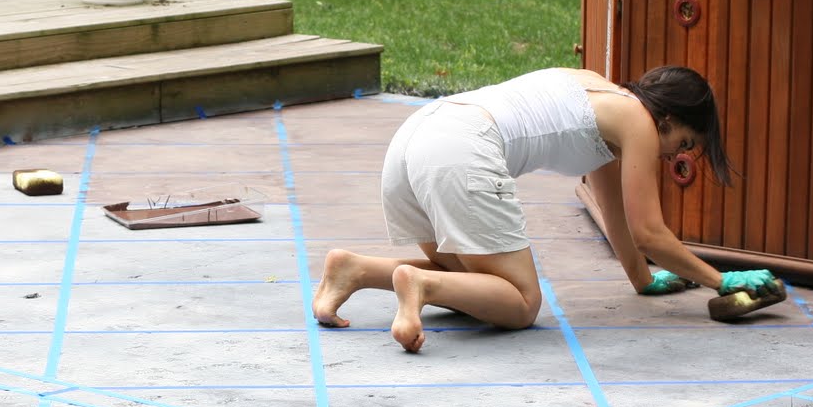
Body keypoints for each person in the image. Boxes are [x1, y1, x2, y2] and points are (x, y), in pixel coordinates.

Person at [311, 65, 779, 353]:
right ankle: (421, 284)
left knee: (478, 288)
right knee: (519, 304)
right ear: (668, 119)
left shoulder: (599, 94)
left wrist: (642, 279)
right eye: (683, 143)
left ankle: (355, 270)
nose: (671, 155)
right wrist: (721, 280)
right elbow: (650, 232)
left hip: (416, 136)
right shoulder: (637, 121)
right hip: (459, 150)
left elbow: (614, 210)